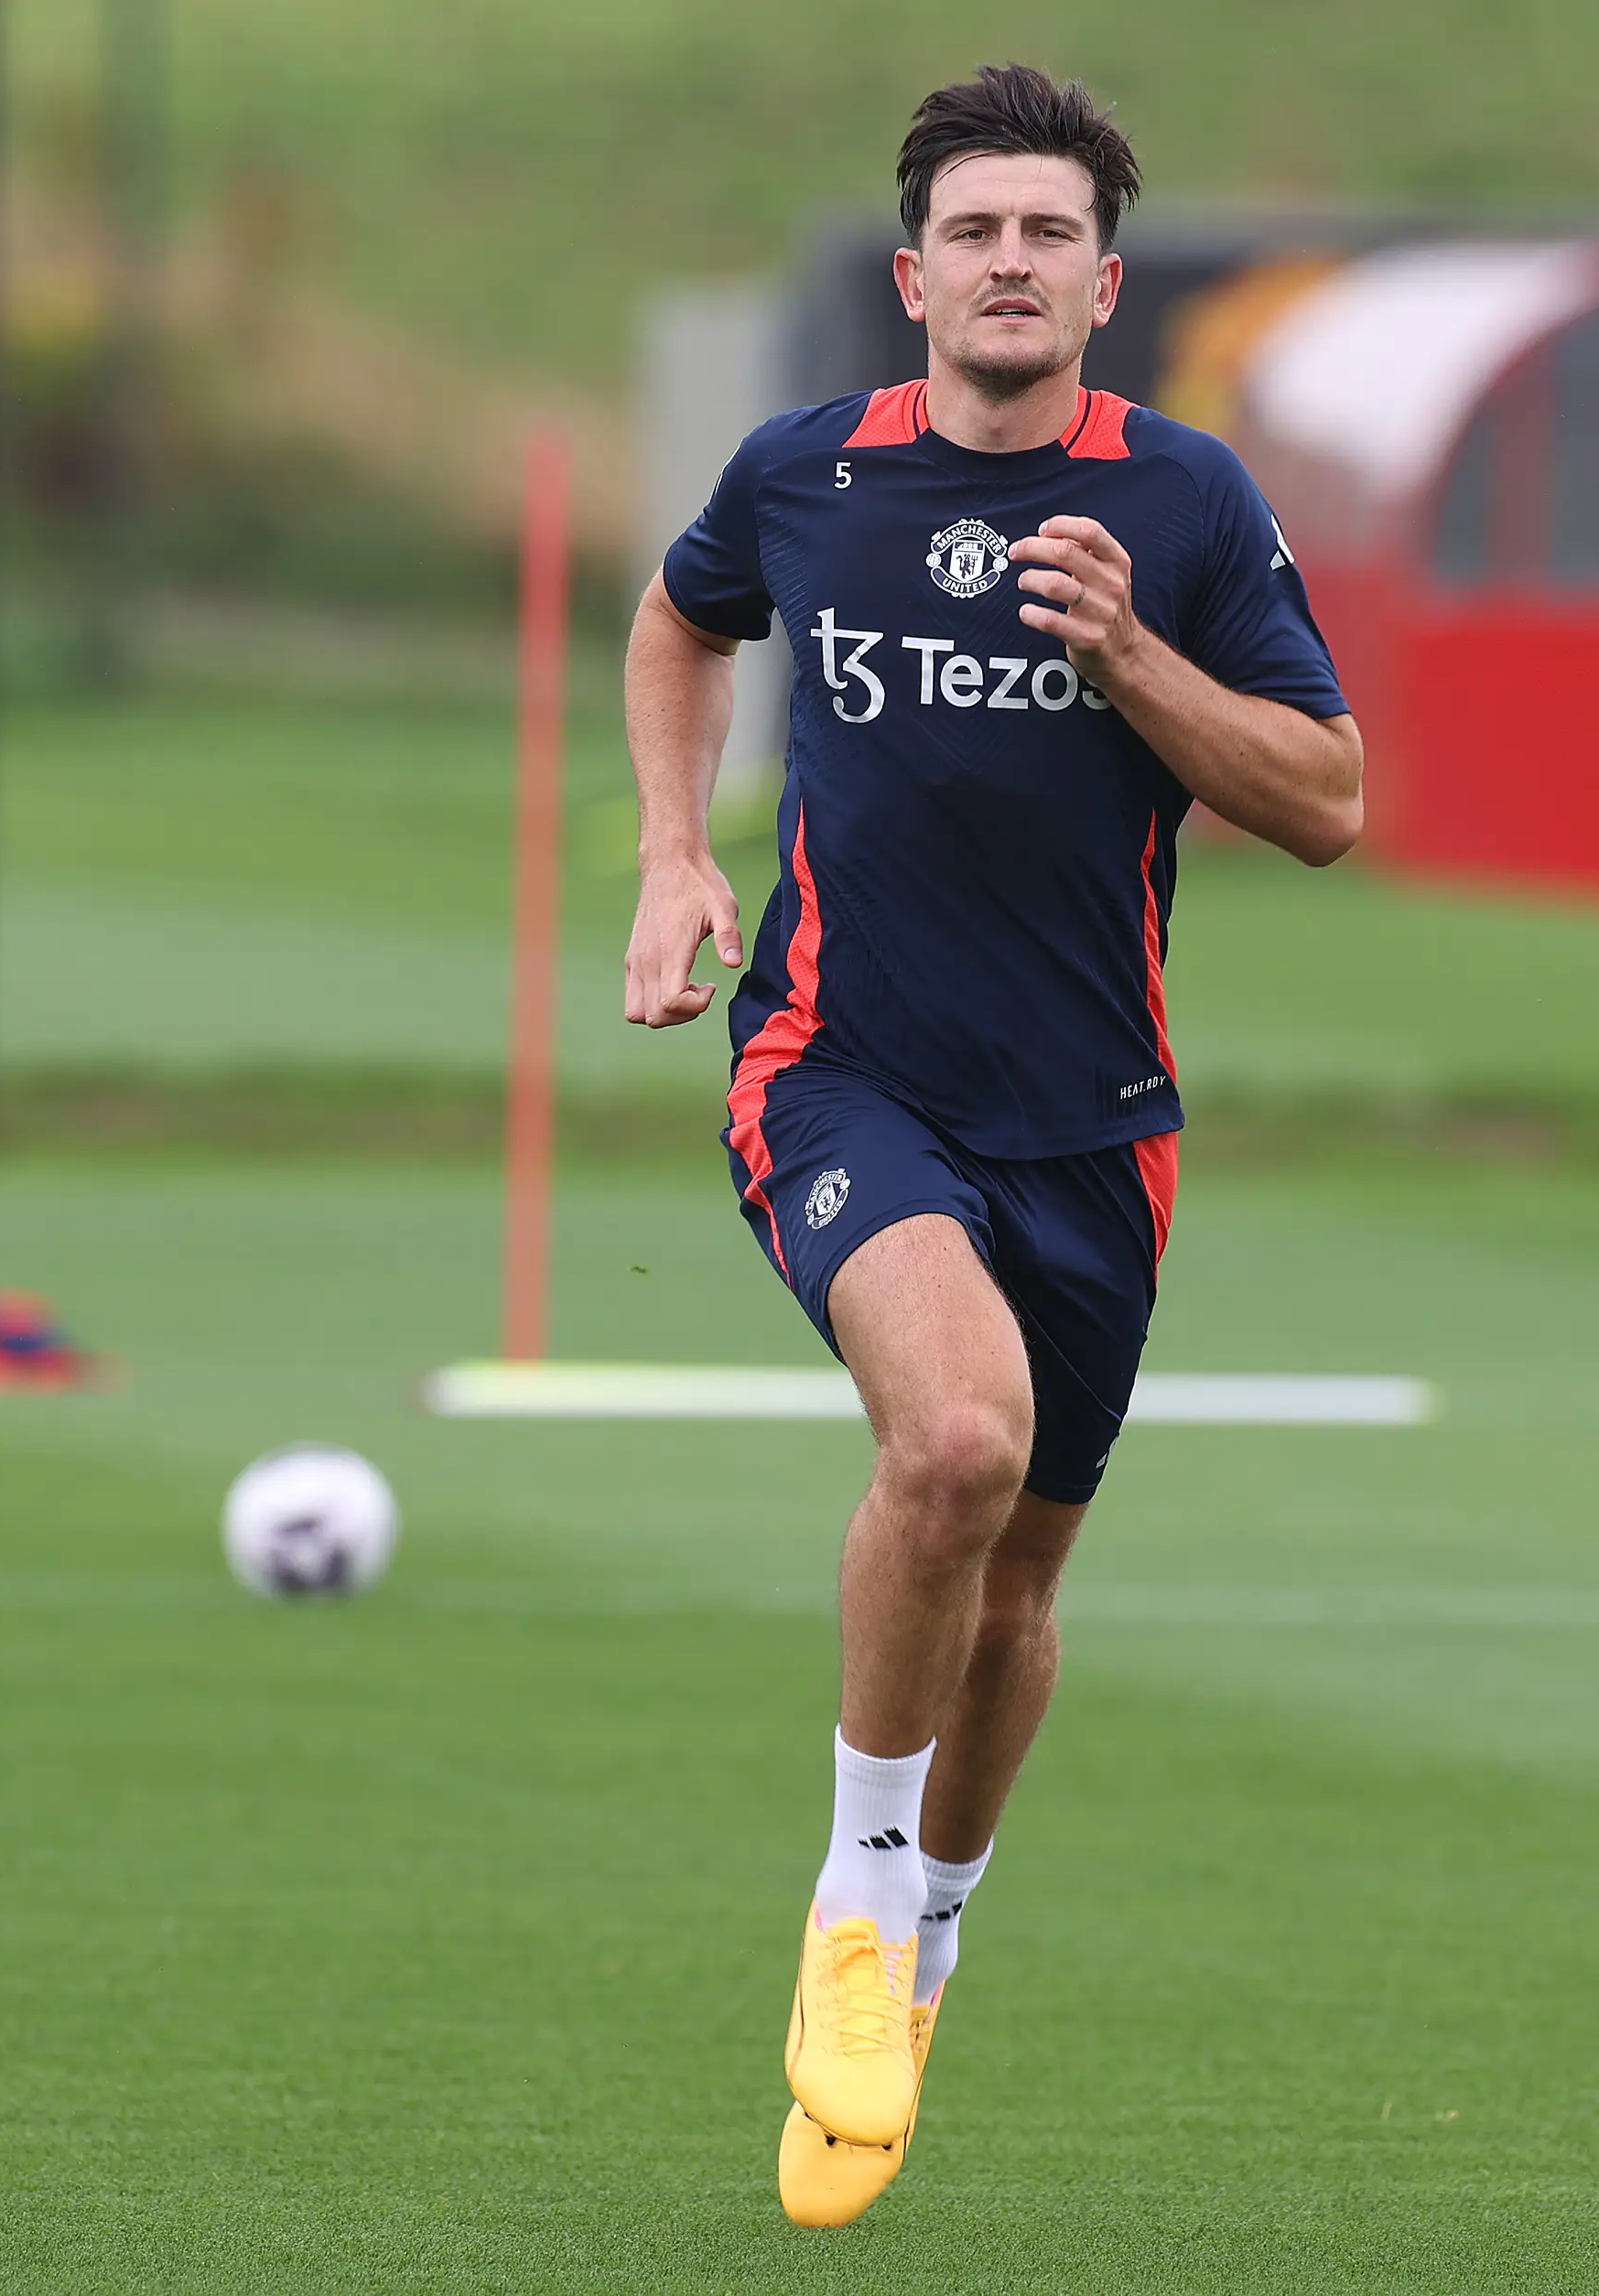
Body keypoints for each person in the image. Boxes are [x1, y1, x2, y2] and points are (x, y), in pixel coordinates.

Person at [621, 61, 1363, 2227]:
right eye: (977, 230)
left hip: (1094, 1127)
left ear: (1104, 287)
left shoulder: (1194, 509)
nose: (1010, 263)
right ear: (913, 273)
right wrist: (675, 851)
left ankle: (929, 1942)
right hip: (841, 1070)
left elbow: (1325, 801)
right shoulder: (806, 475)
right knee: (948, 1449)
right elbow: (682, 616)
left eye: (1050, 234)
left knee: (1018, 1588)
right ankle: (854, 1906)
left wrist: (1135, 655)